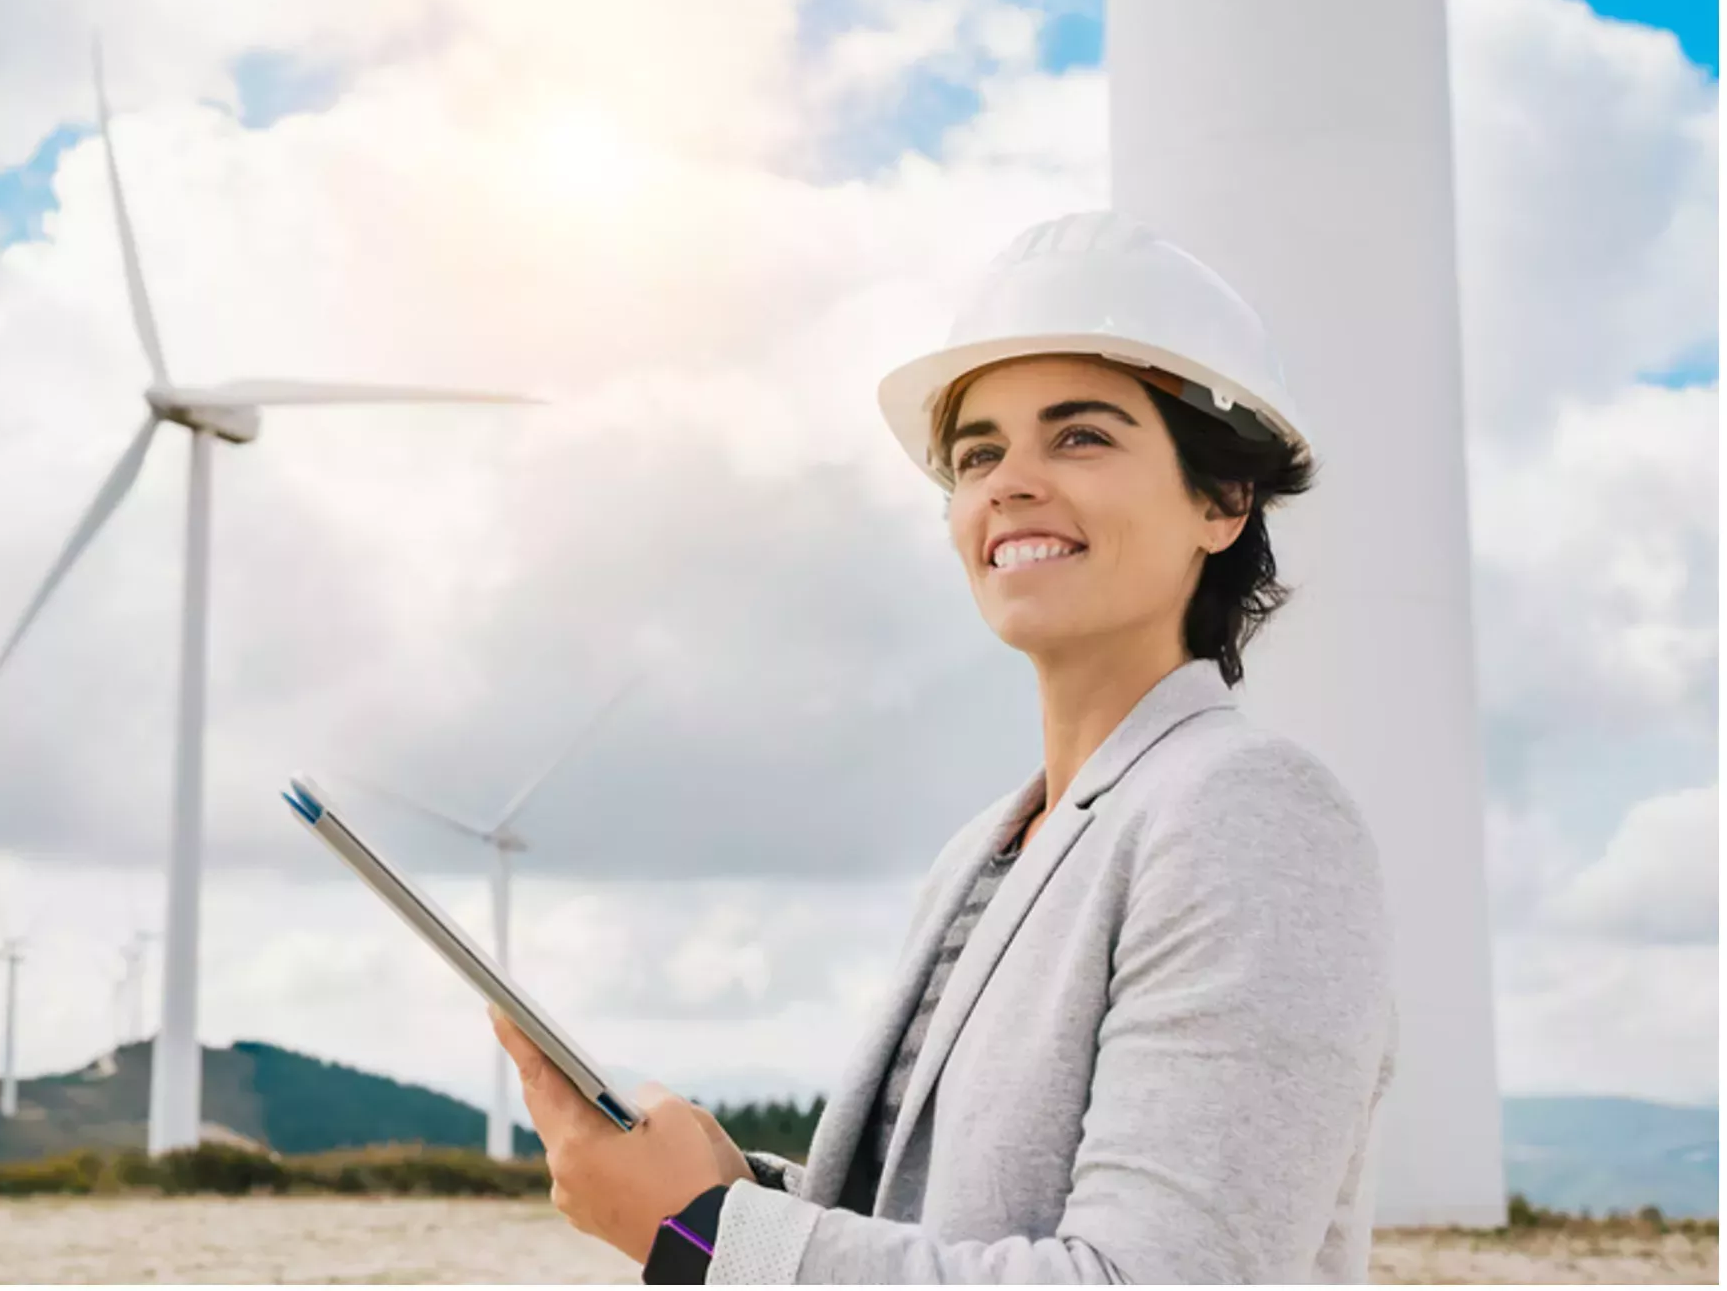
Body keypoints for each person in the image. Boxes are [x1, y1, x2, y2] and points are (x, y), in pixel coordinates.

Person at [491, 210, 1400, 1284]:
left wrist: (703, 1235)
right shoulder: (987, 846)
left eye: (1081, 435)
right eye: (977, 454)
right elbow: (949, 1221)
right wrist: (729, 1194)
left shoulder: (1247, 811)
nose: (1008, 481)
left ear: (1223, 499)